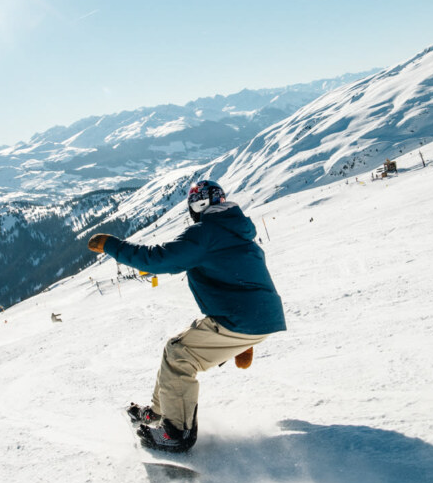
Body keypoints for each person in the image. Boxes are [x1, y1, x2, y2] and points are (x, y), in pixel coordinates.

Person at [88, 179, 286, 453]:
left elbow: (156, 259)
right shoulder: (238, 230)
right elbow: (247, 278)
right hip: (256, 317)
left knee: (179, 356)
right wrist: (245, 340)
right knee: (175, 346)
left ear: (197, 206)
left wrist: (112, 245)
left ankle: (177, 432)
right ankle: (160, 412)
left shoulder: (205, 234)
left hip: (239, 319)